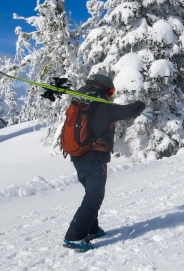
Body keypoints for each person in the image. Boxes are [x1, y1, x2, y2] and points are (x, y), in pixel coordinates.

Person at [63, 74, 145, 251]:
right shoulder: (104, 107)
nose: (111, 95)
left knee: (91, 193)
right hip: (94, 159)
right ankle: (75, 237)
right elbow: (128, 111)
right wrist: (141, 103)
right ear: (104, 88)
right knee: (94, 197)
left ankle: (91, 229)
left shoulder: (81, 103)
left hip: (78, 156)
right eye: (110, 91)